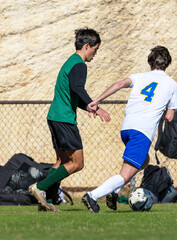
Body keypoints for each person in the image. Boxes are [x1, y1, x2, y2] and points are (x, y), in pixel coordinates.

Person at [82, 46, 177, 213]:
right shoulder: (172, 84)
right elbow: (169, 117)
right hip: (142, 132)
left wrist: (97, 100)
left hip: (126, 129)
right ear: (168, 64)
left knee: (144, 161)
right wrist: (158, 110)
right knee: (125, 175)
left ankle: (115, 191)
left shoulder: (139, 77)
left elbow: (119, 84)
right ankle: (92, 195)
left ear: (150, 62)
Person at [28, 28, 111, 211]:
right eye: (94, 50)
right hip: (64, 119)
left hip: (55, 117)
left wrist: (88, 106)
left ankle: (47, 202)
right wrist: (93, 104)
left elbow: (72, 93)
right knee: (77, 163)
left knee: (60, 162)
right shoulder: (79, 64)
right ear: (87, 46)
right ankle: (39, 188)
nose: (94, 55)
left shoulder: (69, 62)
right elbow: (77, 88)